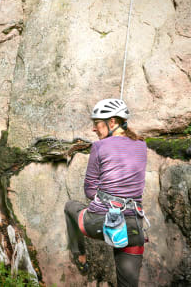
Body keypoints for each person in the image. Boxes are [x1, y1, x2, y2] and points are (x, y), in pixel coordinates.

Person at [64, 98, 148, 287]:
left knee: (70, 207)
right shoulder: (142, 145)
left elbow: (89, 189)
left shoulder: (99, 146)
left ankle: (80, 256)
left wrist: (106, 198)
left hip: (99, 221)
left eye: (96, 124)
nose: (94, 129)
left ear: (112, 122)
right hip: (133, 225)